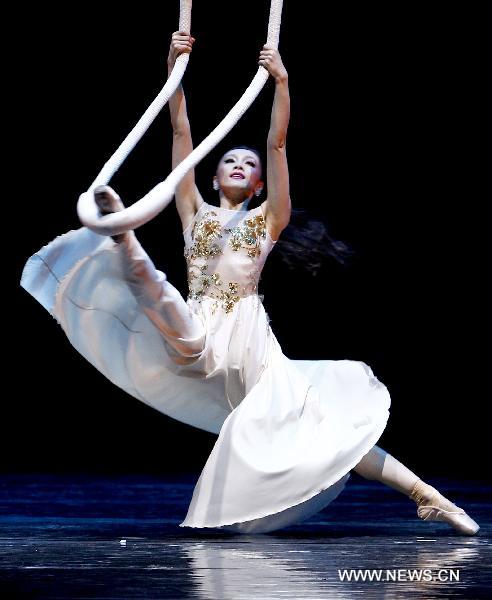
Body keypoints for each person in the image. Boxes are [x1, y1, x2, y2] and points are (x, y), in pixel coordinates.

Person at [21, 32, 479, 535]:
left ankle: (427, 496)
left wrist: (281, 83)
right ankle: (124, 241)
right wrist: (175, 70)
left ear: (258, 184)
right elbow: (181, 136)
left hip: (252, 339)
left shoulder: (269, 218)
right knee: (168, 310)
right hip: (198, 323)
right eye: (229, 162)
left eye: (248, 164)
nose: (239, 165)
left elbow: (277, 141)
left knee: (333, 436)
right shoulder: (195, 210)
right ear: (214, 178)